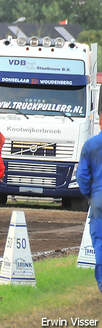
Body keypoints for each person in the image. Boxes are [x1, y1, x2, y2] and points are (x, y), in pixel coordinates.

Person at [76, 116, 102, 294]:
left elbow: (82, 176)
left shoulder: (91, 144)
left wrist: (90, 195)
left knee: (100, 240)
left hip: (99, 197)